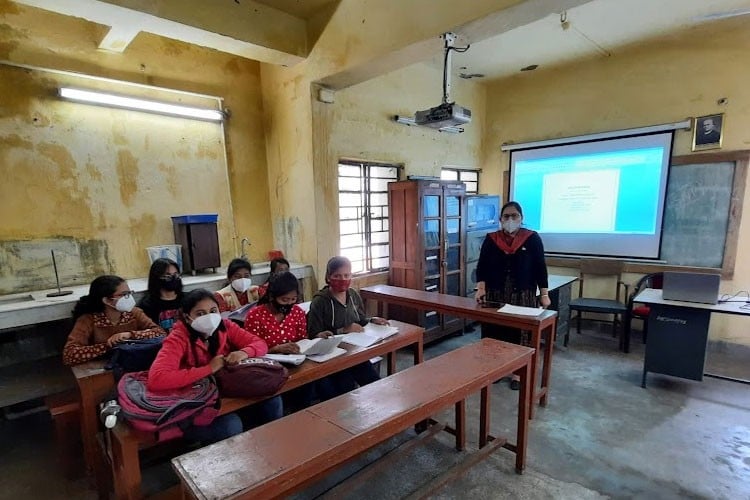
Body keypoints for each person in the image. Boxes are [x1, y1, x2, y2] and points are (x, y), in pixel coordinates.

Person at [148, 289, 282, 443]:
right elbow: (157, 378)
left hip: (224, 392)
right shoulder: (178, 337)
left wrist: (243, 353)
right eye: (200, 314)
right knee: (230, 425)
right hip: (195, 404)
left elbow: (259, 344)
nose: (209, 317)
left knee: (272, 400)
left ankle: (271, 449)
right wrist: (209, 369)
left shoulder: (225, 326)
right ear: (187, 317)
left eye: (213, 311)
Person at [475, 201, 550, 390]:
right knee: (495, 331)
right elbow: (482, 266)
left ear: (521, 218)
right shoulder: (491, 239)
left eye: (514, 216)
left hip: (522, 294)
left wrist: (544, 294)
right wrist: (481, 289)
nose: (510, 220)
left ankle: (518, 372)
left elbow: (540, 267)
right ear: (500, 219)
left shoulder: (532, 239)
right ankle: (497, 369)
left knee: (521, 332)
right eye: (506, 216)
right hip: (496, 293)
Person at [307, 256, 387, 399]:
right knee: (345, 389)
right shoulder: (320, 302)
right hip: (331, 356)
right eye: (337, 276)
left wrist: (372, 320)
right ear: (328, 277)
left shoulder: (353, 295)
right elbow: (313, 334)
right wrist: (341, 330)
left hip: (354, 351)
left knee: (373, 381)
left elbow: (360, 320)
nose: (342, 279)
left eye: (346, 275)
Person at [244, 271, 315, 412]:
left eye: (293, 299)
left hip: (296, 365)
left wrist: (311, 343)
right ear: (272, 297)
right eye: (284, 300)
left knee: (311, 383)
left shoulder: (297, 312)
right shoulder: (255, 316)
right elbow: (249, 351)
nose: (289, 304)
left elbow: (302, 339)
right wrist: (275, 349)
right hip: (266, 369)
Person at [63, 275, 165, 366]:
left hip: (133, 362)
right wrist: (109, 347)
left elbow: (160, 333)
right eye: (124, 294)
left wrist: (129, 335)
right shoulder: (88, 320)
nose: (129, 297)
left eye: (129, 293)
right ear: (107, 300)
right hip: (103, 367)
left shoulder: (134, 313)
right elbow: (69, 354)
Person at [137, 258, 183, 332]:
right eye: (168, 276)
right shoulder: (146, 305)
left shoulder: (188, 299)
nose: (173, 278)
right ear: (156, 278)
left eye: (176, 275)